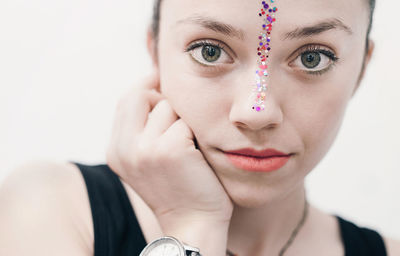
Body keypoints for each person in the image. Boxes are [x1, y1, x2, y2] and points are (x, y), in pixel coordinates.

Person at [0, 0, 399, 255]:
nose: (257, 111)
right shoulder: (48, 210)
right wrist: (193, 226)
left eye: (313, 58)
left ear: (362, 68)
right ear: (155, 51)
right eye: (210, 51)